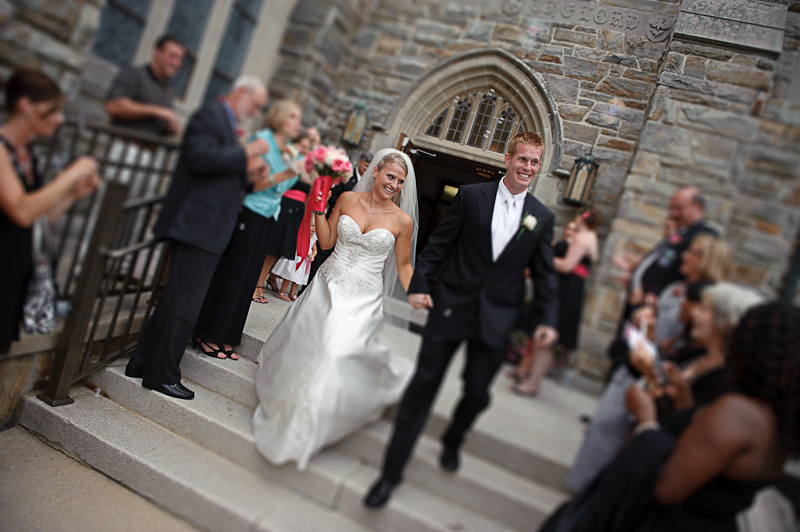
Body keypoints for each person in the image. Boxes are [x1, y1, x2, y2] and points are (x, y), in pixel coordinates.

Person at [364, 131, 559, 508]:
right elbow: (438, 246)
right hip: (451, 307)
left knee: (477, 393)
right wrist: (419, 285)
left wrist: (548, 319)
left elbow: (546, 276)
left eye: (535, 162)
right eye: (523, 159)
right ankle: (389, 475)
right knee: (422, 389)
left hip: (497, 319)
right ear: (508, 158)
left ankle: (454, 437)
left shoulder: (541, 217)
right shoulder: (471, 196)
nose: (528, 168)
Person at [540, 299, 800, 532]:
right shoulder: (778, 422)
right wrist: (684, 403)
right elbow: (709, 456)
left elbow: (667, 488)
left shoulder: (739, 413)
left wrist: (646, 421)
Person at [251, 148, 418, 470]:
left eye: (400, 181)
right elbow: (326, 243)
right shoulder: (348, 201)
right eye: (390, 176)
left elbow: (404, 265)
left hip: (364, 296)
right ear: (376, 172)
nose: (394, 184)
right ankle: (297, 407)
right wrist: (317, 208)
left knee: (334, 351)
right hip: (328, 285)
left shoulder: (402, 221)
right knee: (317, 346)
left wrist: (418, 293)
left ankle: (317, 417)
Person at [123, 76, 271, 399]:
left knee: (177, 299)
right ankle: (162, 374)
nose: (255, 111)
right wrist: (247, 153)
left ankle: (141, 361)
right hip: (198, 224)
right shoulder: (210, 115)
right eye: (256, 104)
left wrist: (248, 176)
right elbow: (199, 159)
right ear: (241, 93)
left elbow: (221, 174)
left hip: (210, 225)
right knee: (185, 304)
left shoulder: (228, 124)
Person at [192, 99, 304, 359]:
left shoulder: (289, 150)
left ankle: (227, 335)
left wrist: (296, 171)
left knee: (248, 277)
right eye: (293, 117)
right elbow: (256, 184)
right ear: (279, 117)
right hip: (250, 212)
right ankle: (206, 332)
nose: (297, 123)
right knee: (232, 272)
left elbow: (282, 189)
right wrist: (287, 173)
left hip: (269, 216)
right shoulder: (262, 140)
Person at [0, 70, 101, 354]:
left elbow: (35, 221)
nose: (59, 119)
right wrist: (69, 175)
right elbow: (20, 210)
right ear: (25, 106)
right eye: (52, 111)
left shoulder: (27, 154)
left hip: (12, 280)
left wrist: (73, 194)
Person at [607, 187, 717, 375]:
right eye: (671, 208)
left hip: (659, 310)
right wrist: (637, 273)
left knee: (635, 361)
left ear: (697, 207)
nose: (673, 214)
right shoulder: (682, 232)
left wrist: (651, 295)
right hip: (641, 306)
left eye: (679, 209)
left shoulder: (703, 236)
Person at [513, 208, 603, 396]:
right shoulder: (593, 238)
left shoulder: (582, 238)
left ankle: (532, 383)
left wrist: (543, 258)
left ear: (583, 218)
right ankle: (532, 382)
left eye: (578, 217)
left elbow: (567, 265)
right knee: (548, 341)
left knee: (546, 339)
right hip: (574, 289)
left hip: (566, 288)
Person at [104, 35, 185, 137]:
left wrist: (171, 127)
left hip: (150, 151)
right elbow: (113, 106)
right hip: (124, 146)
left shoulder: (168, 91)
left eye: (180, 59)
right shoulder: (134, 74)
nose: (176, 63)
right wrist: (157, 111)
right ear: (157, 52)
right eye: (172, 56)